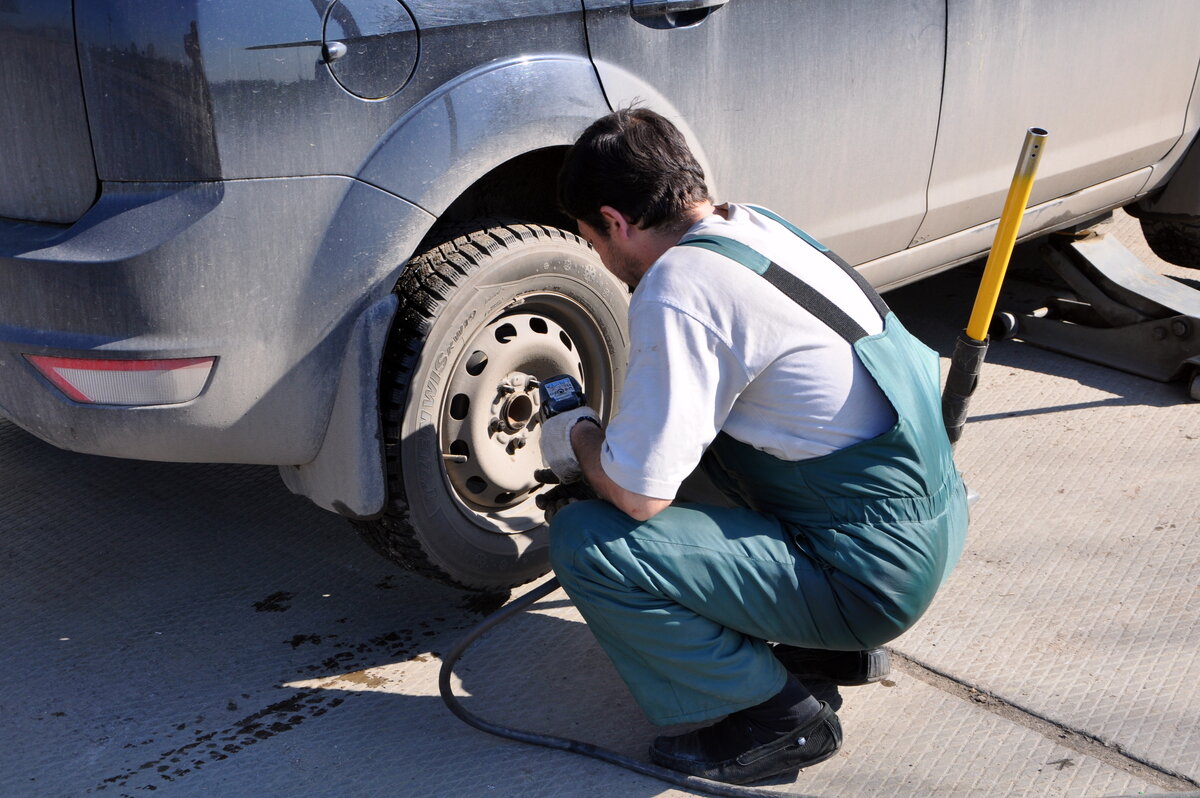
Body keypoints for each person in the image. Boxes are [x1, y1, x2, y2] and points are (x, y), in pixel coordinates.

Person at [538, 108, 968, 786]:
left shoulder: (678, 287)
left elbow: (640, 494)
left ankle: (780, 721)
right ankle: (829, 650)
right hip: (931, 525)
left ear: (615, 221)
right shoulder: (756, 227)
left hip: (873, 575)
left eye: (592, 239)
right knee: (703, 452)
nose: (600, 256)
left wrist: (579, 437)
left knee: (589, 541)